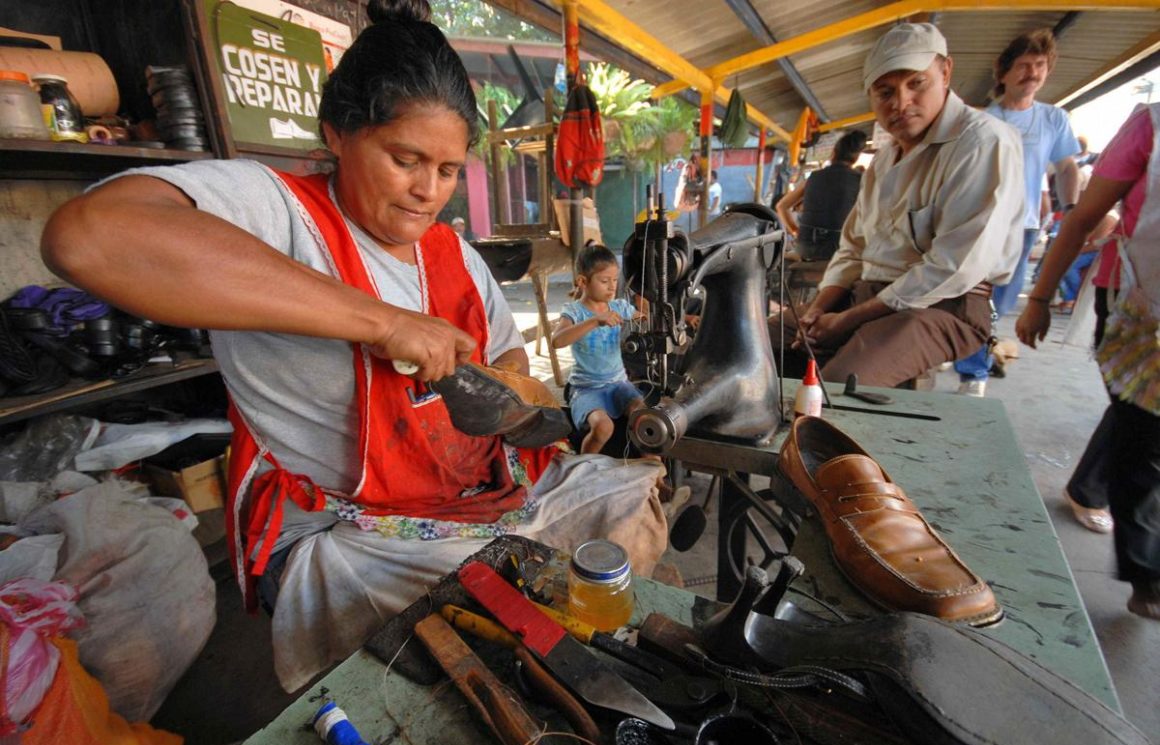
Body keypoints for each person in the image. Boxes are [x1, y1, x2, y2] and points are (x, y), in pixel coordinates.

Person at [40, 0, 668, 689]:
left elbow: (510, 360)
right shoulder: (277, 212)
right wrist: (383, 322)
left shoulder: (453, 252)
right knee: (501, 621)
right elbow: (87, 237)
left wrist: (509, 387)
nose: (428, 191)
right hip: (346, 532)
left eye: (450, 170)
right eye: (405, 159)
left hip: (464, 498)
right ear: (336, 132)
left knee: (626, 505)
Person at [767, 22, 1024, 389]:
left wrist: (848, 319)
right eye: (885, 92)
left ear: (946, 71)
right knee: (754, 349)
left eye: (916, 84)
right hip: (867, 297)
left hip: (943, 306)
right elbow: (853, 248)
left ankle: (828, 442)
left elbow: (953, 268)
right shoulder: (884, 162)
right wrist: (820, 308)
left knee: (840, 388)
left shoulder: (982, 143)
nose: (900, 103)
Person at [1015, 103, 1160, 620]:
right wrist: (1038, 299)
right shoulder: (1151, 127)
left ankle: (1092, 489)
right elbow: (1082, 216)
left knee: (1140, 422)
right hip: (1139, 307)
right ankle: (1147, 573)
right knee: (1142, 428)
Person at [954, 29, 1081, 397]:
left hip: (1024, 226)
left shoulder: (1053, 119)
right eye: (1023, 65)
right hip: (984, 223)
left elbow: (1067, 167)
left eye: (1039, 66)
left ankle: (974, 350)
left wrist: (1070, 209)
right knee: (978, 298)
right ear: (1004, 74)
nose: (1032, 73)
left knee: (1002, 302)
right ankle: (972, 370)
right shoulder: (982, 120)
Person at [552, 243, 644, 454]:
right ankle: (584, 469)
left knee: (646, 420)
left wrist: (682, 317)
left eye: (614, 280)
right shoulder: (574, 312)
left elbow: (645, 318)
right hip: (586, 389)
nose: (612, 287)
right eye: (604, 281)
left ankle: (657, 479)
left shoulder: (619, 307)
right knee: (603, 427)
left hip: (618, 384)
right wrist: (595, 321)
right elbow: (557, 341)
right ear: (583, 281)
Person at [774, 130, 867, 261]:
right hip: (840, 250)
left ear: (833, 153)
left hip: (805, 247)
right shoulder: (861, 180)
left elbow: (781, 206)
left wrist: (795, 231)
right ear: (856, 157)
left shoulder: (813, 177)